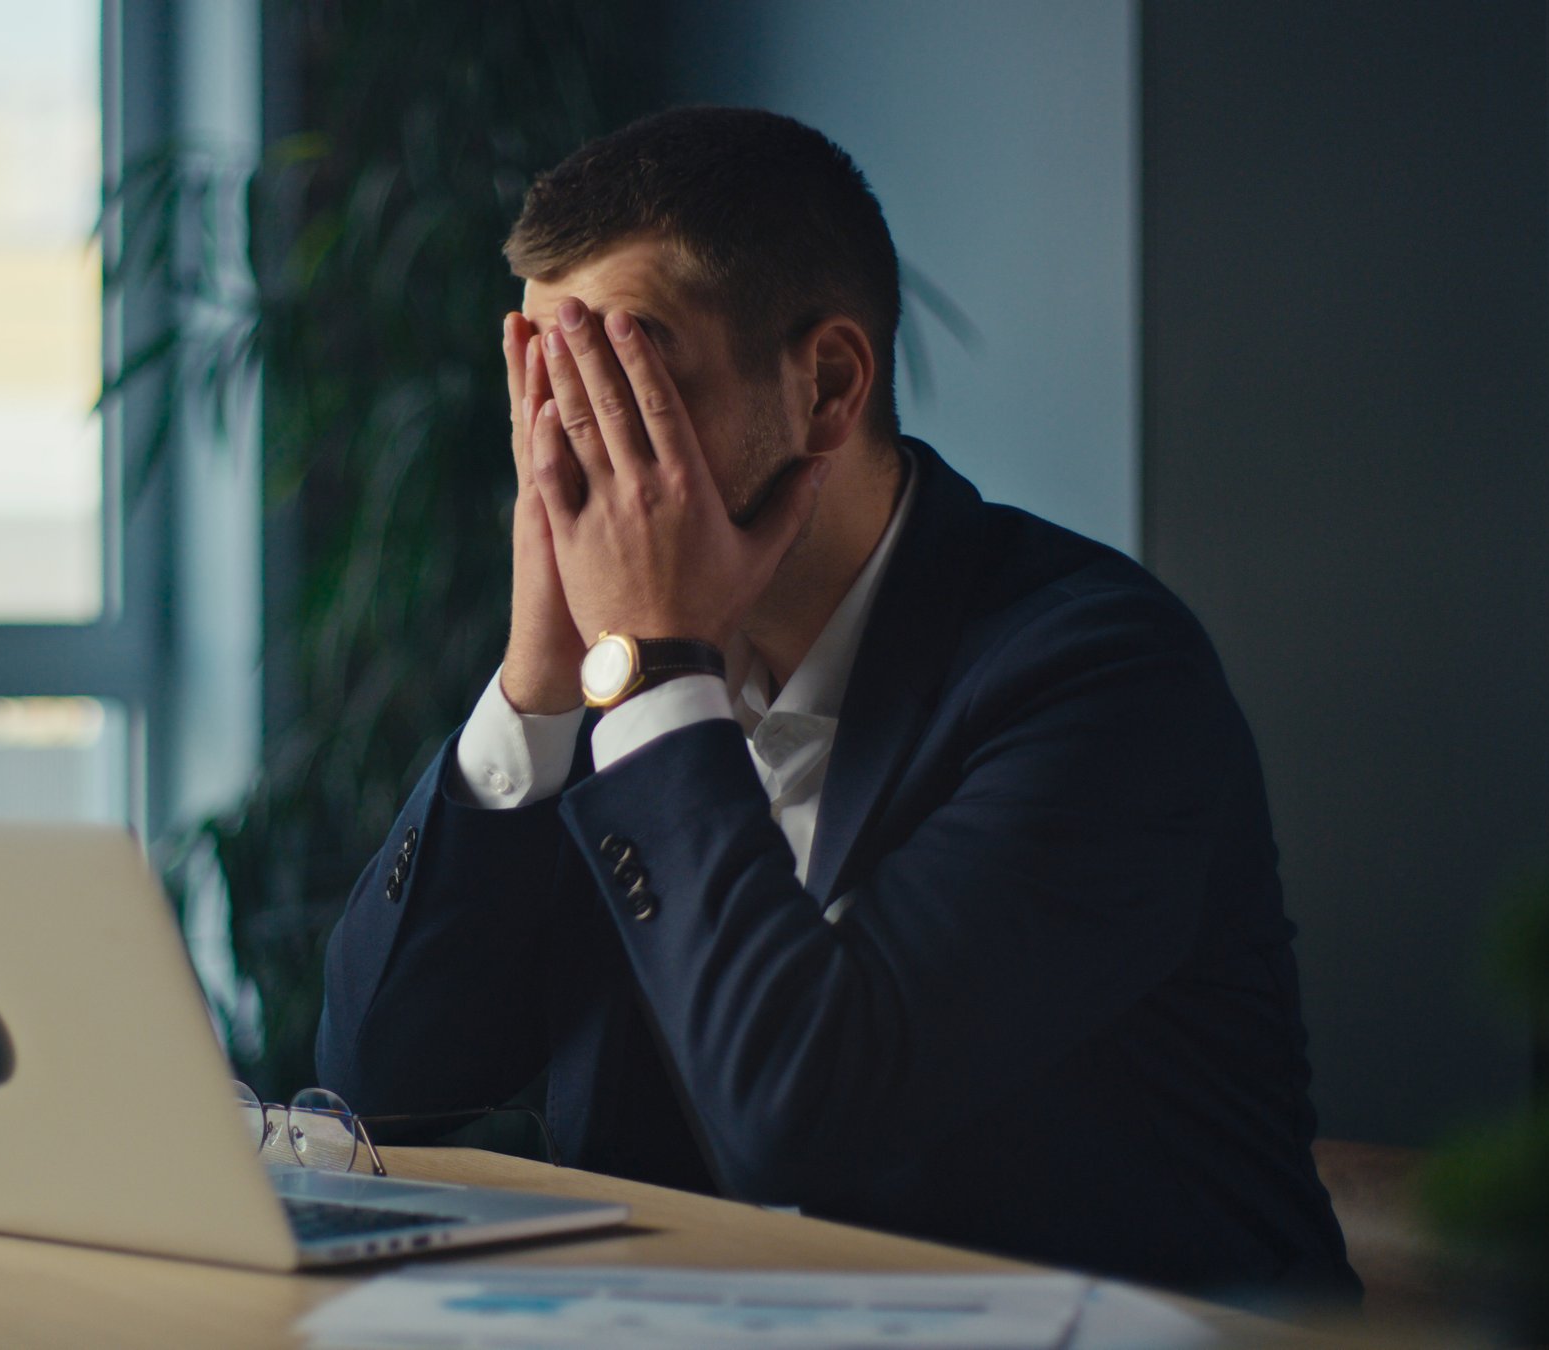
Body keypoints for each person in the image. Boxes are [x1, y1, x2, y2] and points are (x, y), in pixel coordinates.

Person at [314, 106, 1359, 1306]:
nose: (573, 453)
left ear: (825, 387)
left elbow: (797, 1111)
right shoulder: (612, 683)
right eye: (555, 386)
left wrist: (653, 675)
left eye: (630, 376)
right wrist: (541, 682)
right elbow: (380, 1082)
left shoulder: (1105, 678)